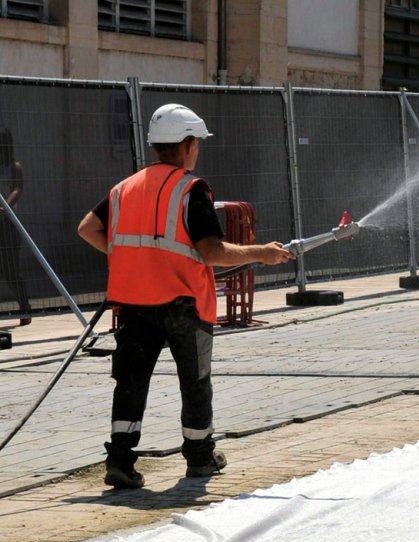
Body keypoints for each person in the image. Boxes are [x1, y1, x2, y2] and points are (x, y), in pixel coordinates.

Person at [77, 104, 293, 489]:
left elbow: (87, 229)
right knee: (194, 382)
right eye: (198, 143)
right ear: (189, 144)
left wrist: (127, 258)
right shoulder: (191, 189)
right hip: (184, 305)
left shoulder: (124, 189)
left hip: (134, 304)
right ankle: (198, 458)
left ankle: (121, 464)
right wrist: (260, 252)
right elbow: (211, 252)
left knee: (130, 383)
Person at [0, 127, 32, 326]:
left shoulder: (13, 167)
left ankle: (25, 308)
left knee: (11, 270)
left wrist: (5, 206)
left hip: (8, 224)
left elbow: (17, 189)